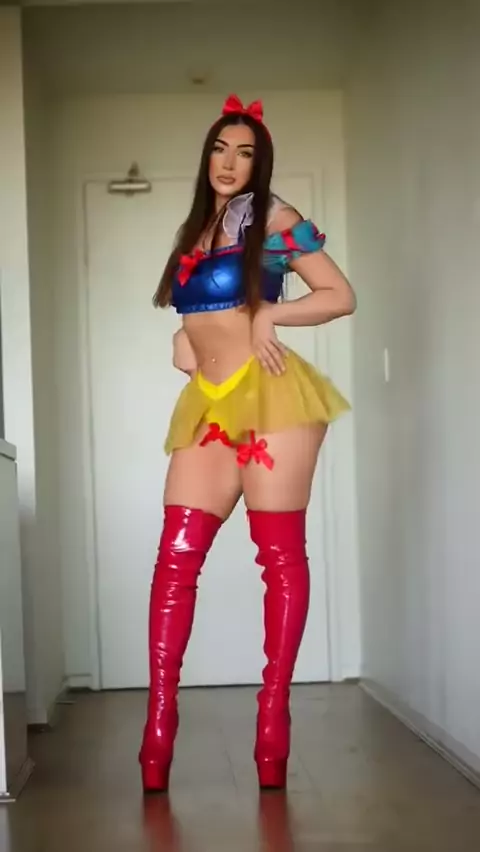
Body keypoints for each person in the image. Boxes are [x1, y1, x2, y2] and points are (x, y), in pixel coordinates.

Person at [139, 94, 356, 794]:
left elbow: (339, 294)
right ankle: (158, 727)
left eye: (246, 153)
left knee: (278, 556)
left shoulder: (274, 218)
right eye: (220, 149)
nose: (230, 163)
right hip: (209, 403)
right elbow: (204, 312)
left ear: (260, 164)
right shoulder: (198, 228)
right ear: (206, 156)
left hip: (273, 399)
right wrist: (185, 336)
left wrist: (272, 317)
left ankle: (272, 721)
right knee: (176, 557)